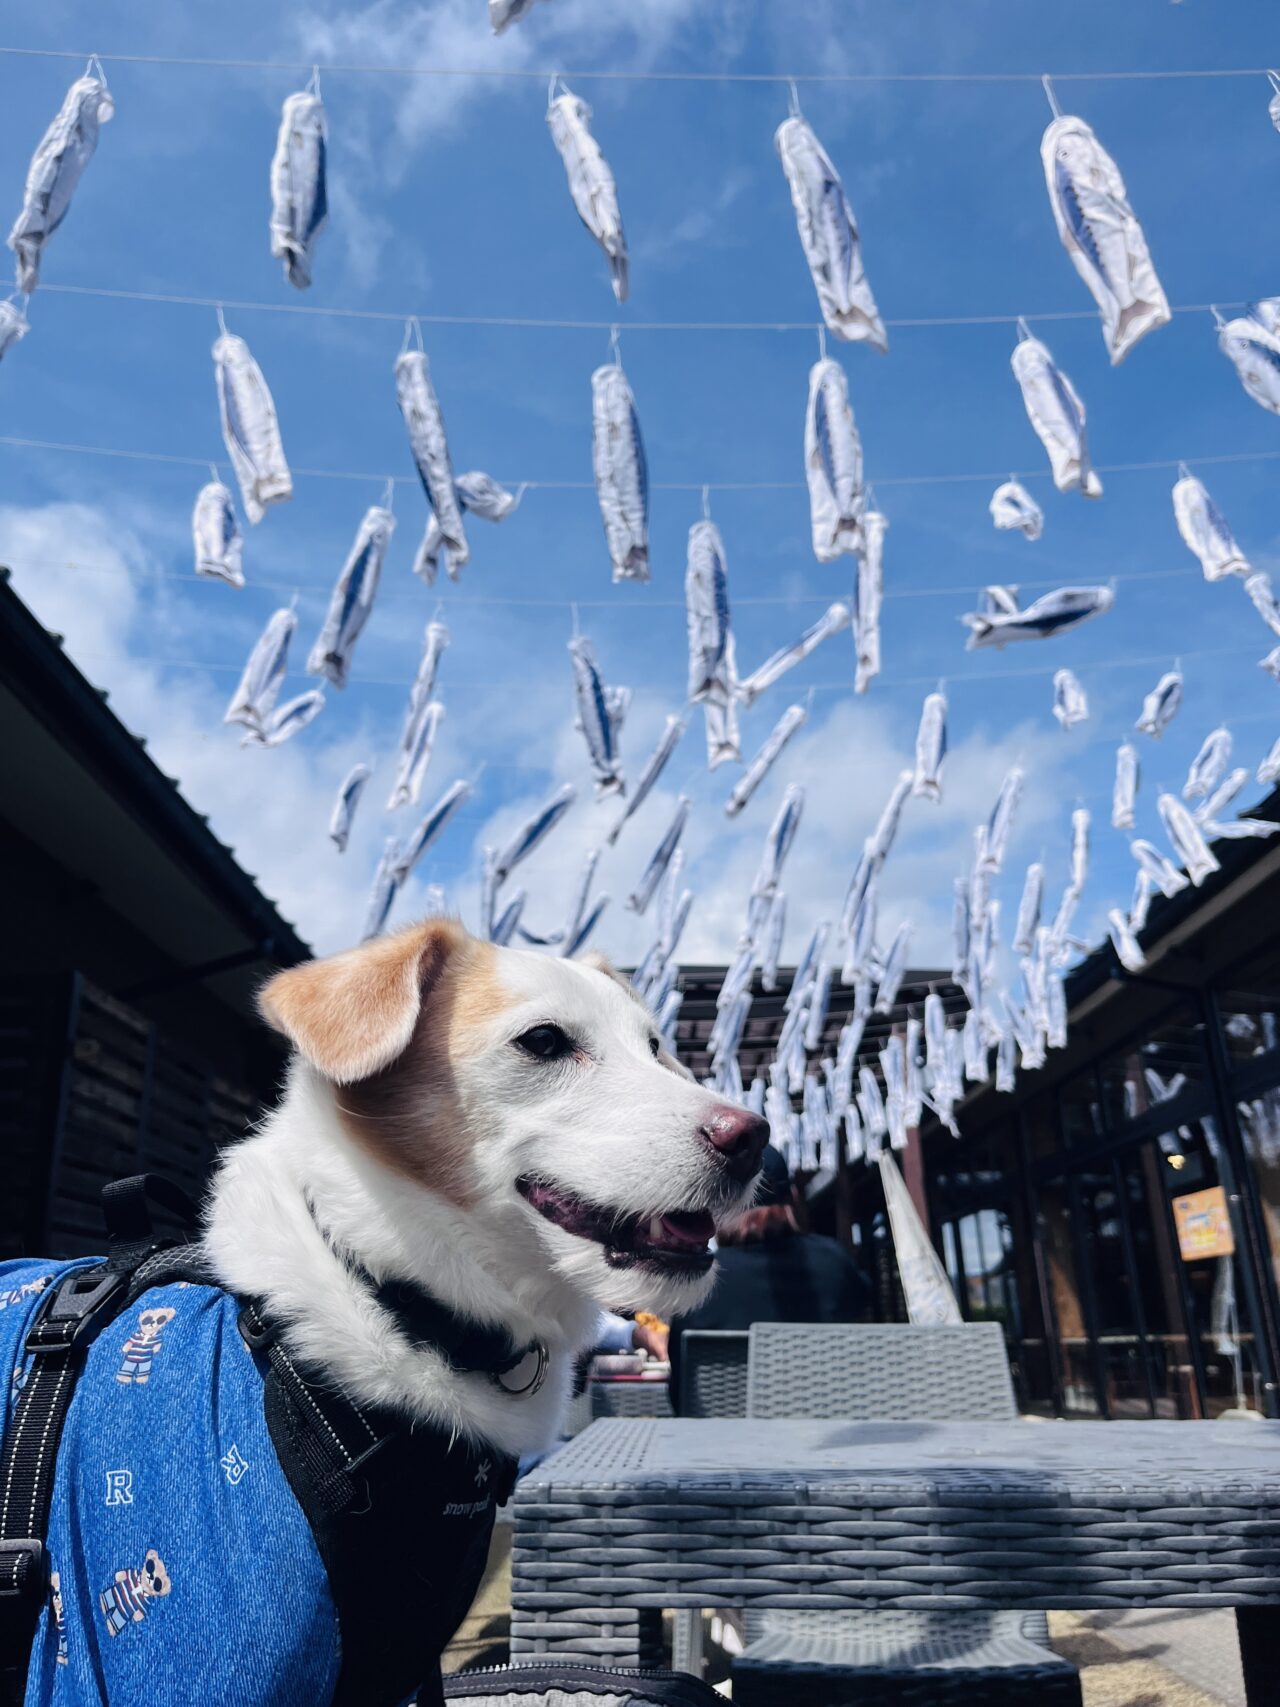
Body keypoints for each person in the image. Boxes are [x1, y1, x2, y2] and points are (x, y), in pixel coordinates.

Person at [667, 1145, 873, 1408]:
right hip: (824, 1433)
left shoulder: (697, 1280)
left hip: (722, 1443)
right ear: (793, 1197)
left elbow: (681, 1393)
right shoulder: (834, 1262)